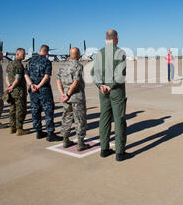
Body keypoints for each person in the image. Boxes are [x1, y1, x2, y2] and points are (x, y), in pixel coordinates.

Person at [92, 29, 132, 161]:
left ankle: (104, 149)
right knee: (119, 119)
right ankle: (120, 152)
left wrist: (100, 85)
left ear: (105, 38)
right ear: (116, 38)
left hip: (103, 90)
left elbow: (94, 72)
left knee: (104, 118)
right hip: (116, 90)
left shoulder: (99, 53)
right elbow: (121, 75)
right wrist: (111, 85)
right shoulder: (119, 52)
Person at [24, 45, 62, 142]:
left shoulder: (30, 61)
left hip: (33, 90)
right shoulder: (47, 61)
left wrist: (32, 84)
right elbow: (46, 76)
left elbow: (26, 75)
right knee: (48, 110)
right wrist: (39, 86)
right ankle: (50, 133)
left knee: (35, 109)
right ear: (47, 52)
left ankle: (39, 131)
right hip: (44, 89)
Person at [56, 47, 91, 151]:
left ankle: (65, 140)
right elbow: (76, 82)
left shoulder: (63, 66)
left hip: (66, 98)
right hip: (76, 97)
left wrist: (62, 94)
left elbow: (58, 80)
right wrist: (68, 94)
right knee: (79, 119)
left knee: (67, 117)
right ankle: (80, 143)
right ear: (77, 54)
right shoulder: (78, 66)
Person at [5, 48, 30, 136]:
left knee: (12, 109)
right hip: (19, 91)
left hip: (12, 91)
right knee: (20, 110)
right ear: (17, 54)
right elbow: (17, 79)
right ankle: (19, 129)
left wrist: (9, 86)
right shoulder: (19, 65)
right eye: (23, 54)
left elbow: (7, 77)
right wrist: (12, 87)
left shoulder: (10, 64)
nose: (24, 56)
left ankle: (12, 127)